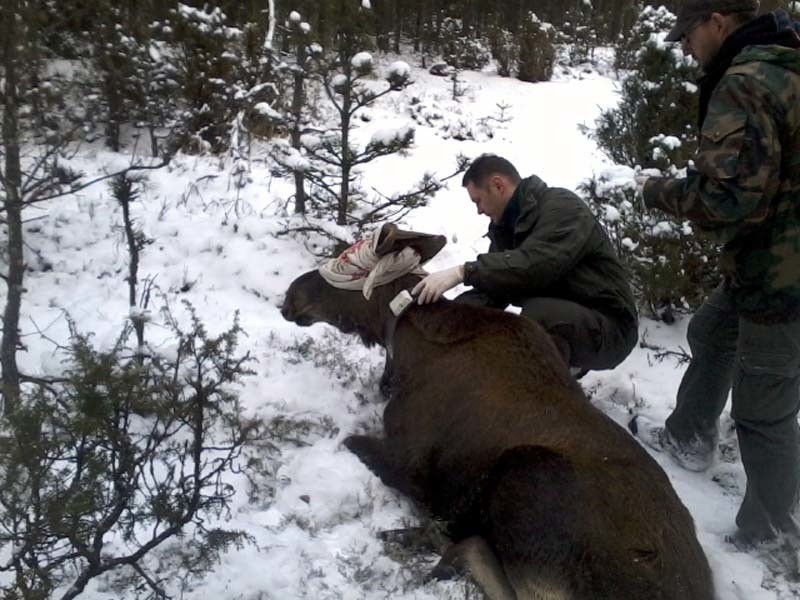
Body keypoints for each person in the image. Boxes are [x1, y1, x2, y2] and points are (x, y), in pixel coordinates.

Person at [632, 1, 800, 546]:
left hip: (784, 277)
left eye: (687, 33)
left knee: (764, 409)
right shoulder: (786, 61)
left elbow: (727, 200)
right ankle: (690, 434)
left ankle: (768, 528)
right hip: (765, 256)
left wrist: (660, 191)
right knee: (711, 333)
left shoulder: (746, 82)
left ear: (719, 21)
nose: (682, 46)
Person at [413, 154, 638, 374]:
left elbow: (534, 265)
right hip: (569, 315)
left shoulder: (562, 207)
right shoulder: (507, 229)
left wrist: (463, 271)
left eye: (478, 200)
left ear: (498, 185)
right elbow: (494, 287)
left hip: (611, 326)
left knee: (535, 318)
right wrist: (446, 316)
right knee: (502, 323)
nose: (479, 210)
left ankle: (542, 403)